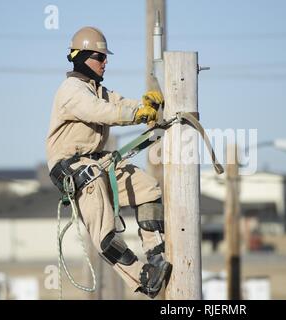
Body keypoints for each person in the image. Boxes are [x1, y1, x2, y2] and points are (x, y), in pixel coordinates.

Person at [46, 26, 172, 298]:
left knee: (148, 188)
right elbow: (102, 112)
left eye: (105, 57)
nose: (106, 63)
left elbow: (121, 103)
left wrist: (148, 104)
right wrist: (138, 113)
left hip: (98, 161)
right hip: (73, 166)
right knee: (104, 231)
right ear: (82, 57)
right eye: (100, 57)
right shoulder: (72, 91)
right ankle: (142, 276)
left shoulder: (99, 90)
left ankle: (156, 254)